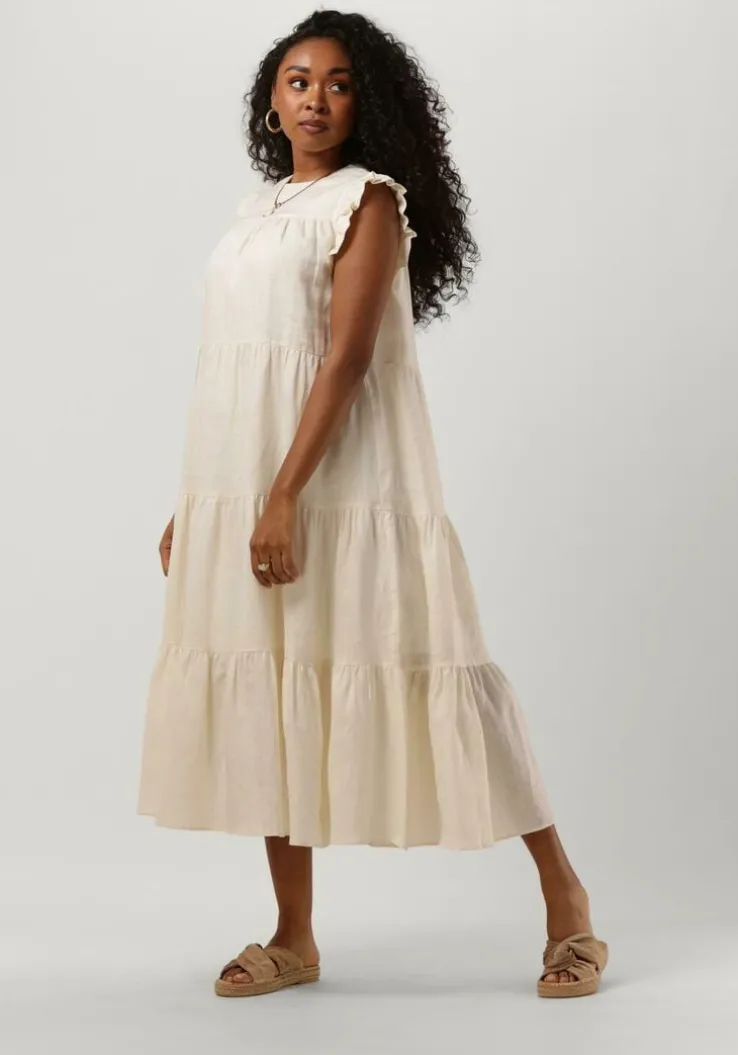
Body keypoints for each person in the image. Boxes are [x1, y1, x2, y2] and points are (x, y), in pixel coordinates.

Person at [136, 8, 608, 1000]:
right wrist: (204, 501)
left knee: (439, 666)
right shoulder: (255, 210)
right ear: (271, 100)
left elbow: (346, 361)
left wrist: (282, 494)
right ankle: (294, 935)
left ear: (368, 102)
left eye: (339, 83)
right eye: (298, 80)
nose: (316, 97)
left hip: (344, 487)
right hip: (252, 488)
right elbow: (237, 371)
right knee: (273, 684)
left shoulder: (370, 200)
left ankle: (567, 901)